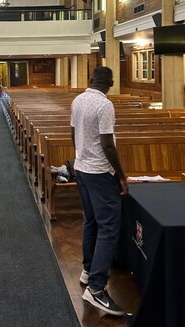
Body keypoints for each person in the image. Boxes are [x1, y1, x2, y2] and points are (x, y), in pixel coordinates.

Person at [70, 66, 129, 317]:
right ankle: (96, 287)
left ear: (91, 80)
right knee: (108, 227)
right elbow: (107, 143)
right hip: (99, 173)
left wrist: (79, 157)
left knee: (91, 221)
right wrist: (121, 174)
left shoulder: (78, 99)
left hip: (81, 168)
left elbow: (72, 132)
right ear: (111, 83)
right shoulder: (105, 105)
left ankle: (87, 269)